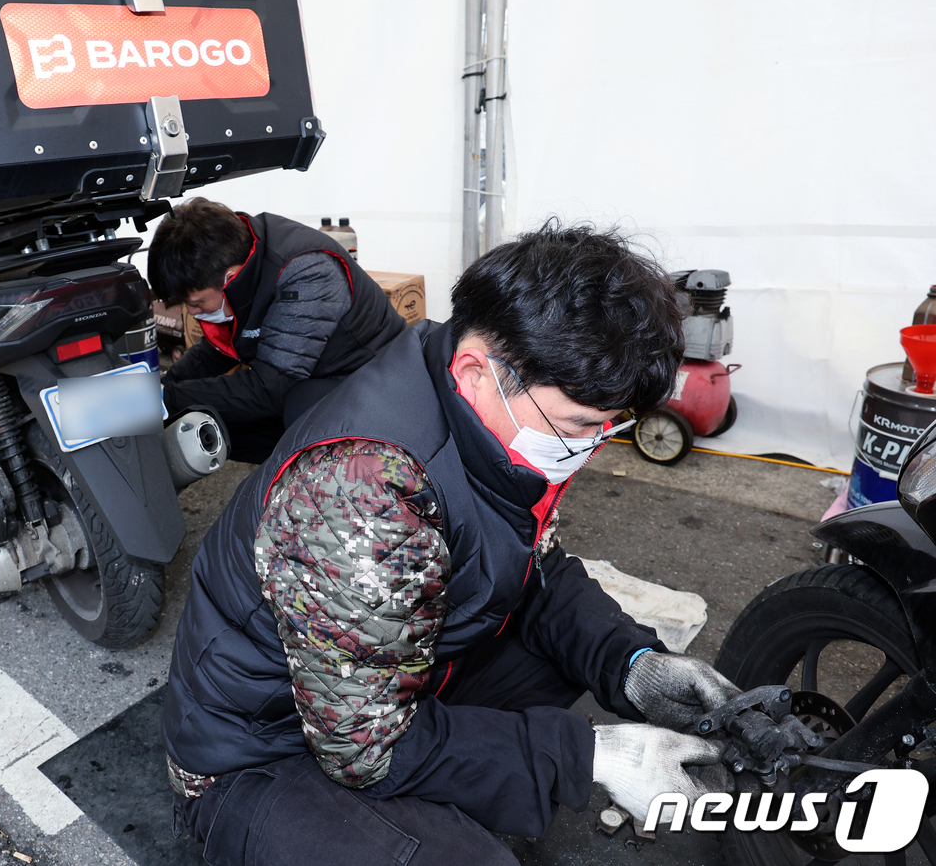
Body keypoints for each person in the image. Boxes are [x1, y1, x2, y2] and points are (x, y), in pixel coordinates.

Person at [162, 222, 741, 864]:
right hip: (264, 748)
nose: (589, 444)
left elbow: (533, 571)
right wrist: (592, 754)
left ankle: (438, 806)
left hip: (383, 680)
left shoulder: (485, 400)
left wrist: (633, 666)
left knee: (562, 653)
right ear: (477, 370)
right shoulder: (362, 490)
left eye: (608, 427)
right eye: (579, 425)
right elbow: (364, 749)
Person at [148, 198, 406, 463]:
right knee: (202, 420)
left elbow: (271, 387)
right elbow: (220, 348)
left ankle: (318, 486)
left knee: (280, 410)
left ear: (230, 277)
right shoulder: (240, 258)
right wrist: (164, 385)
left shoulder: (307, 273)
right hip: (312, 375)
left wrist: (168, 399)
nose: (192, 312)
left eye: (196, 303)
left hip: (374, 386)